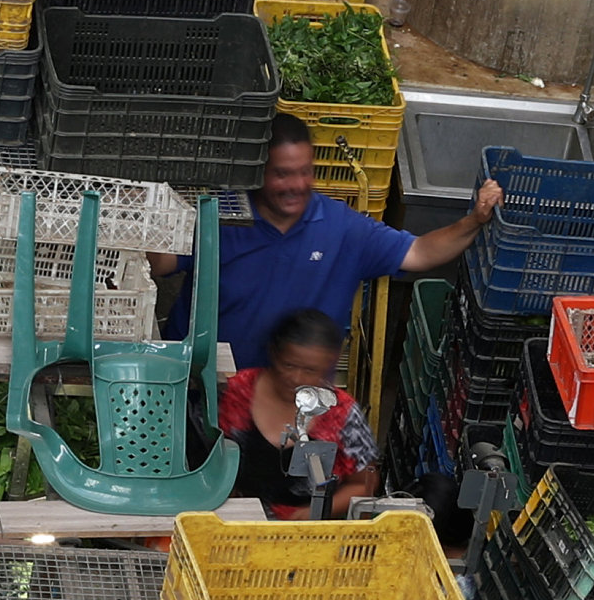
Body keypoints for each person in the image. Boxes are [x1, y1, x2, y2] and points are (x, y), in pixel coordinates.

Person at [174, 115, 501, 365]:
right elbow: (162, 261)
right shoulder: (221, 215)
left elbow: (419, 252)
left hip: (292, 404)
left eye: (305, 172)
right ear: (257, 172)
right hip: (202, 383)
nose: (296, 185)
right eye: (282, 173)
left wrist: (474, 220)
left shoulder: (341, 228)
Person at [220, 309, 382, 520]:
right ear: (274, 353)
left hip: (307, 531)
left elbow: (364, 484)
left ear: (327, 367)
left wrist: (307, 515)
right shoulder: (237, 392)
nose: (296, 378)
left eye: (310, 370)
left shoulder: (342, 413)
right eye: (289, 365)